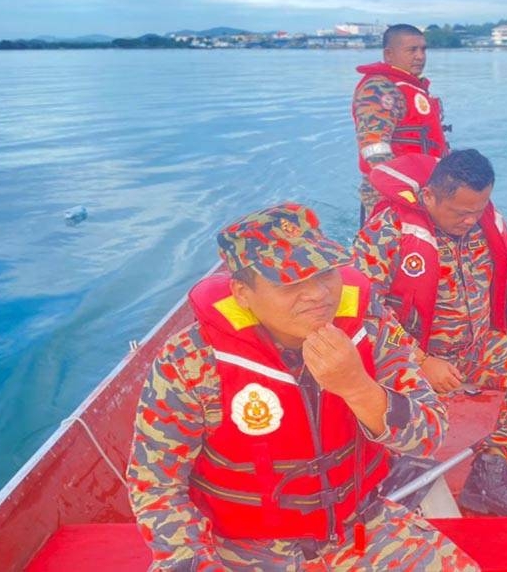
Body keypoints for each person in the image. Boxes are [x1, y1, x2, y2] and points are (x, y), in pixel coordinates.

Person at [126, 203, 479, 571]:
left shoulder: (369, 330)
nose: (318, 294)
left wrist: (358, 387)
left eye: (325, 272)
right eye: (291, 281)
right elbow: (156, 484)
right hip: (239, 549)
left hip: (359, 528)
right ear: (242, 293)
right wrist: (194, 563)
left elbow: (428, 436)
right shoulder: (191, 361)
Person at [352, 150, 507, 517]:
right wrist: (420, 360)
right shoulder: (387, 232)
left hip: (474, 348)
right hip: (408, 360)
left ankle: (491, 478)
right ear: (430, 196)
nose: (471, 220)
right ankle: (380, 480)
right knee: (387, 412)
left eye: (478, 210)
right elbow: (363, 309)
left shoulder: (486, 222)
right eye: (460, 212)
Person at [353, 24, 449, 220]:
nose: (420, 56)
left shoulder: (412, 87)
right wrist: (403, 192)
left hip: (426, 186)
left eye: (423, 49)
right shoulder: (380, 88)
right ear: (389, 54)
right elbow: (374, 147)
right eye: (411, 50)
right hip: (391, 193)